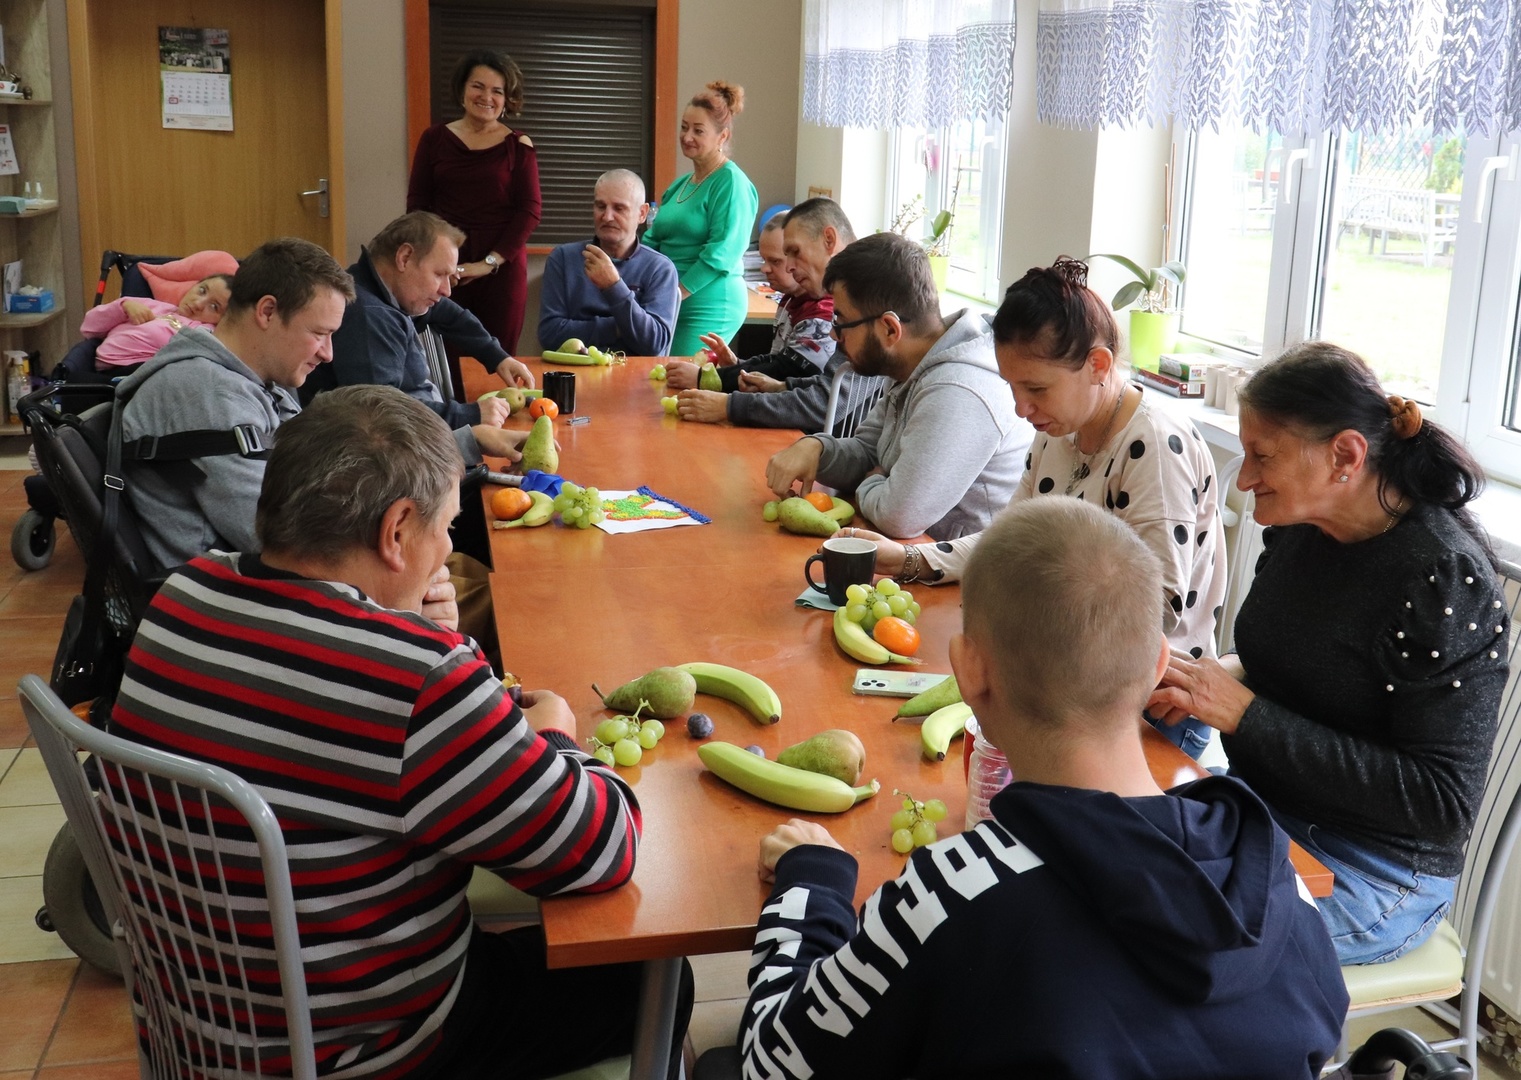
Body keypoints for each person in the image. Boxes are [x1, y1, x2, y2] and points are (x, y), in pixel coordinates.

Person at [106, 385, 692, 1080]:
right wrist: (557, 736)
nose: (446, 552)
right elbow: (601, 850)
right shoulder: (418, 681)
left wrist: (405, 630)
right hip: (359, 1051)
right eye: (446, 528)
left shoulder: (181, 595)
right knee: (653, 981)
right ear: (396, 530)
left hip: (194, 1027)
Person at [717, 498, 1347, 1079]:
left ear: (968, 671)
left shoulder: (950, 894)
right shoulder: (1280, 882)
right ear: (1158, 663)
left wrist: (814, 882)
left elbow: (770, 1063)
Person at [1148, 342, 1510, 965]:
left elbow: (1442, 804)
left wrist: (1244, 713)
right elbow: (1295, 661)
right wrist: (1204, 680)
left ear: (1345, 455)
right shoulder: (1302, 525)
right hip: (1263, 809)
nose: (1245, 478)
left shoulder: (1442, 579)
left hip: (1374, 871)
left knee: (1159, 949)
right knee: (1107, 872)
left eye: (1262, 456)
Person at [841, 258, 1225, 757]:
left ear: (1098, 365)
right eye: (1012, 388)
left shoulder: (1153, 445)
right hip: (1072, 685)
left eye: (1037, 389)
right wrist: (910, 558)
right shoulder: (1060, 431)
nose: (1022, 409)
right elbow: (1008, 540)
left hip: (1148, 715)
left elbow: (1155, 611)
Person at [764, 232, 1030, 539]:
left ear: (890, 329)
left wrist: (874, 481)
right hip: (910, 551)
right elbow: (868, 451)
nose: (835, 335)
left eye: (840, 320)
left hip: (956, 564)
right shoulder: (911, 364)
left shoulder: (959, 391)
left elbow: (899, 517)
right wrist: (817, 448)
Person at [117, 238, 355, 573]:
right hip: (229, 590)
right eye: (319, 333)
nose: (327, 353)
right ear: (267, 312)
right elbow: (279, 543)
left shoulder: (254, 382)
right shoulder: (210, 396)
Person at [313, 210, 537, 465]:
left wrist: (496, 356)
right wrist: (468, 416)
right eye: (439, 274)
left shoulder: (386, 293)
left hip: (423, 440)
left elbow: (449, 314)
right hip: (397, 460)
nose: (447, 290)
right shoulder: (368, 316)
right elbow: (382, 416)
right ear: (405, 258)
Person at [408, 49, 540, 353]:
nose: (487, 97)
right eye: (478, 86)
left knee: (497, 358)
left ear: (506, 99)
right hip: (443, 267)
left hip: (501, 271)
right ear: (462, 89)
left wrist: (486, 264)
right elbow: (417, 206)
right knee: (445, 358)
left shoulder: (518, 145)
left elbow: (530, 211)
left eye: (497, 91)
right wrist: (436, 263)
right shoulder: (434, 139)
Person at [666, 213, 841, 428]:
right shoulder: (789, 299)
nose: (764, 269)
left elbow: (786, 370)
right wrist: (739, 365)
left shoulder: (822, 312)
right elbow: (776, 361)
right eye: (764, 260)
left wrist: (708, 379)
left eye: (776, 261)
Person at [642, 81, 759, 356]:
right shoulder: (681, 184)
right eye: (684, 127)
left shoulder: (731, 182)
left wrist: (676, 293)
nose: (687, 136)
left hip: (708, 303)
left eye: (698, 130)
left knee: (678, 375)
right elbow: (652, 238)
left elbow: (722, 253)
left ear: (722, 136)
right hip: (669, 300)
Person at [537, 168, 680, 356]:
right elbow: (549, 334)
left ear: (642, 213)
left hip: (637, 372)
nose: (607, 216)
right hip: (575, 370)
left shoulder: (660, 268)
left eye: (619, 208)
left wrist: (613, 286)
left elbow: (653, 343)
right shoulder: (563, 259)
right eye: (601, 206)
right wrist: (619, 327)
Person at [82, 274, 233, 370]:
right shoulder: (153, 305)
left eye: (214, 307)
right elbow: (89, 328)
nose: (199, 303)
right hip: (98, 368)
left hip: (138, 375)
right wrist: (123, 306)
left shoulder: (205, 332)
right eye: (202, 290)